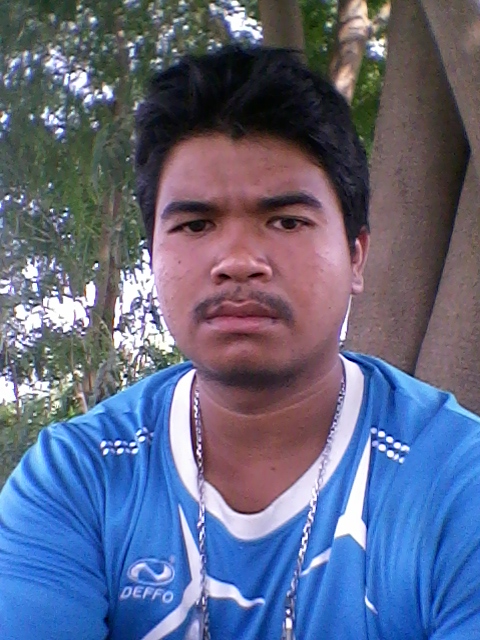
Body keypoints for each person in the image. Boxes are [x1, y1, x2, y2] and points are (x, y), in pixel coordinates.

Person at [1, 45, 480, 640]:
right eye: (196, 224)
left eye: (286, 221)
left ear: (356, 255)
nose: (238, 260)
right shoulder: (79, 478)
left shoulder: (457, 482)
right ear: (153, 257)